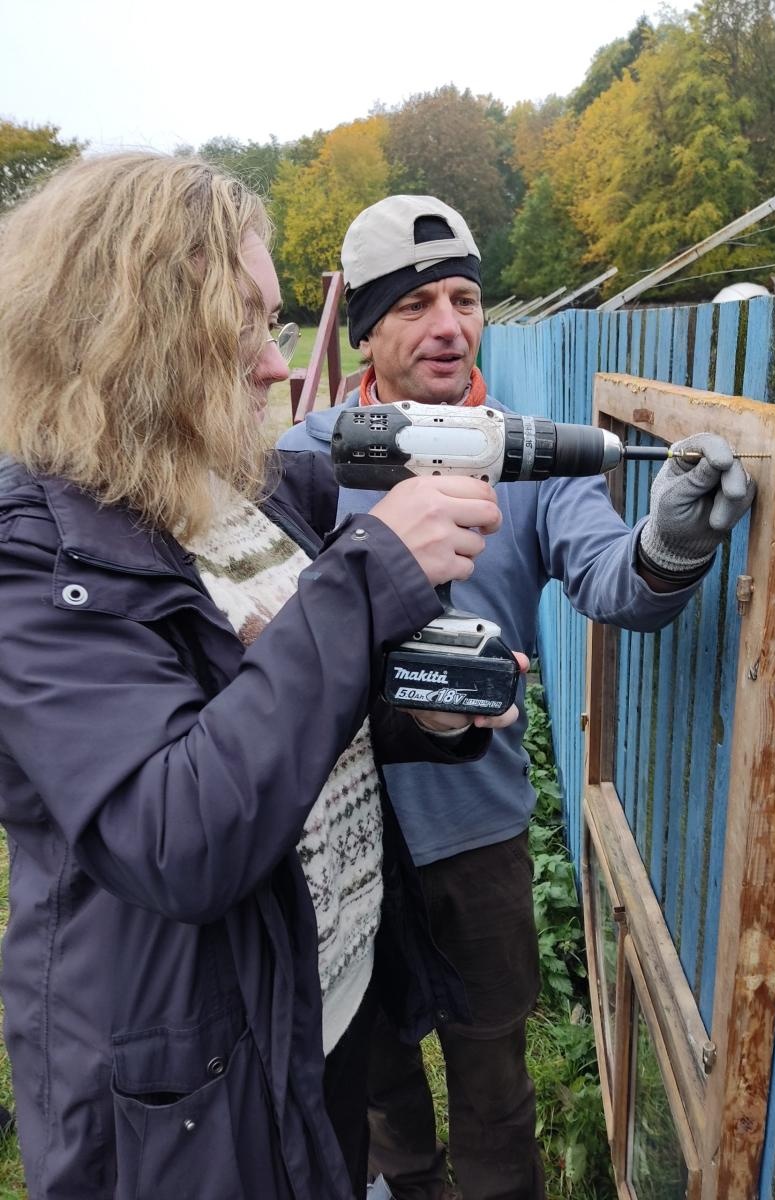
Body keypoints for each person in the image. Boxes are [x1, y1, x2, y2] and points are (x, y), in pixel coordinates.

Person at [0, 158, 524, 1200]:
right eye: (241, 326)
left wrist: (418, 714)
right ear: (129, 332)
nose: (278, 368)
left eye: (274, 323)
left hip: (319, 1011)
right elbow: (174, 830)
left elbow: (280, 709)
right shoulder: (38, 555)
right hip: (192, 1084)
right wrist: (370, 573)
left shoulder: (243, 493)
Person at [277, 195, 756, 1200]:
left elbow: (612, 580)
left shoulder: (529, 458)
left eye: (464, 297)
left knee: (495, 1084)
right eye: (414, 305)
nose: (449, 323)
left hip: (477, 841)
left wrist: (670, 543)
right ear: (365, 329)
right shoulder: (308, 459)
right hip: (345, 845)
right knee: (376, 1084)